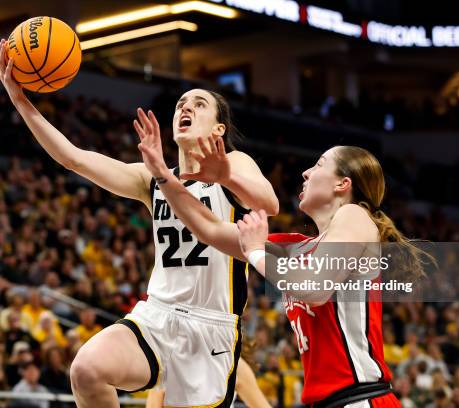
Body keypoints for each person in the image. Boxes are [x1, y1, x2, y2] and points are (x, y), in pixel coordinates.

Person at [0, 39, 278, 408]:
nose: (185, 107)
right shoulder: (151, 178)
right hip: (155, 316)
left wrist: (225, 175)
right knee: (87, 369)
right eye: (181, 104)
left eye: (198, 103)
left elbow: (267, 203)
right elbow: (73, 159)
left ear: (219, 130)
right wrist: (19, 99)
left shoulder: (234, 164)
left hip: (209, 329)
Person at [136, 128, 431, 407]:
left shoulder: (355, 215)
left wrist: (255, 253)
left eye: (318, 165)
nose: (306, 172)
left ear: (343, 184)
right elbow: (210, 230)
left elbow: (315, 288)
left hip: (362, 397)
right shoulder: (295, 245)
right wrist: (165, 177)